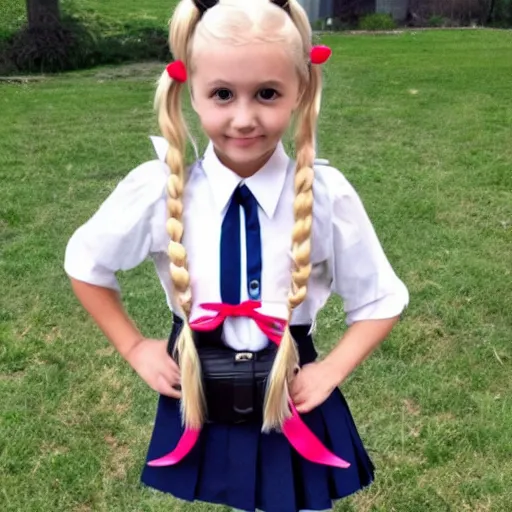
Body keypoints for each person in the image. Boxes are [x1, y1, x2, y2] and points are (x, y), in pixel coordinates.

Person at [64, 0, 409, 511]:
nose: (244, 118)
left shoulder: (327, 196)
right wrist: (135, 347)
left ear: (300, 90)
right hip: (200, 386)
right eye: (222, 94)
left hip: (289, 392)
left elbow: (382, 299)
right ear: (189, 91)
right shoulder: (159, 189)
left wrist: (330, 369)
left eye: (267, 94)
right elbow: (85, 263)